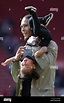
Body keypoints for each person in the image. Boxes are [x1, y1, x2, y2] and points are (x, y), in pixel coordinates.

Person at [1, 6, 58, 96]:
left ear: (33, 25)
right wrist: (16, 60)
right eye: (21, 26)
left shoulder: (51, 45)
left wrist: (34, 45)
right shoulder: (25, 48)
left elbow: (44, 64)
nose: (22, 29)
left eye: (26, 26)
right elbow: (17, 78)